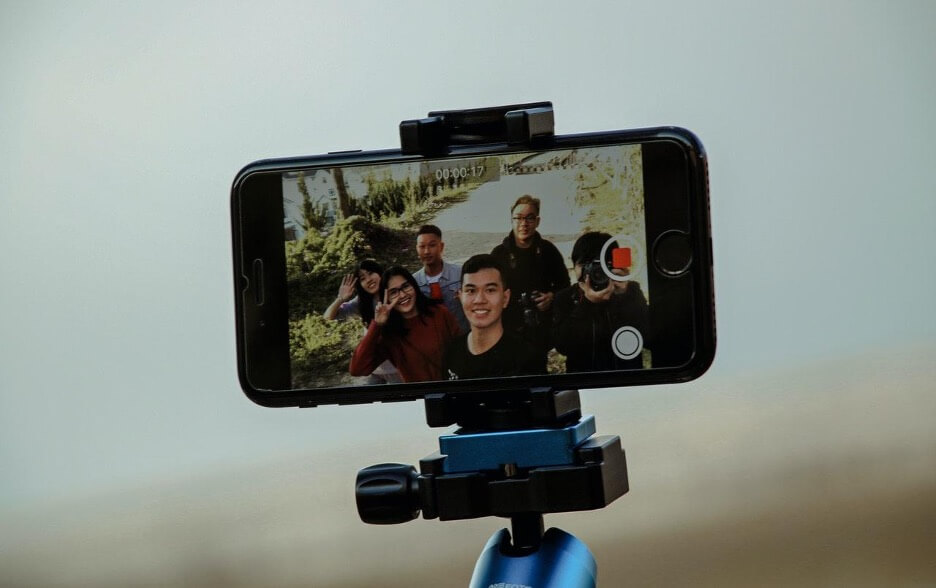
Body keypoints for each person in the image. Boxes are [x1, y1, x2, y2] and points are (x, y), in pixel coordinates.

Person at [490, 195, 571, 370]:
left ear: (538, 221)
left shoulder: (548, 251)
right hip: (507, 326)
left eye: (529, 218)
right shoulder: (499, 254)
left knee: (536, 371)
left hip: (538, 328)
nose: (523, 223)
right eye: (518, 218)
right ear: (511, 220)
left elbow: (565, 286)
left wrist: (551, 297)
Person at [552, 232, 649, 372]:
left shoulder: (630, 290)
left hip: (625, 380)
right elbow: (563, 346)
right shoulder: (565, 297)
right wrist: (587, 303)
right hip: (584, 383)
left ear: (613, 265)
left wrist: (624, 296)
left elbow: (647, 336)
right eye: (584, 264)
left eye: (600, 264)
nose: (592, 271)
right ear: (574, 267)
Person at [349, 266, 461, 383]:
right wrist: (376, 325)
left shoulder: (439, 312)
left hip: (453, 388)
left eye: (406, 286)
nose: (402, 295)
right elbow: (357, 369)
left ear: (414, 286)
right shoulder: (389, 334)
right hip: (421, 398)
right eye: (394, 292)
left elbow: (460, 349)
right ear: (386, 299)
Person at [442, 254, 543, 380]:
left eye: (490, 290)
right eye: (471, 291)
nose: (479, 300)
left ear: (505, 298)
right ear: (460, 296)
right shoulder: (452, 352)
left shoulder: (527, 359)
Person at [323, 259, 400, 384]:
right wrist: (340, 299)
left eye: (370, 273)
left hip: (397, 369)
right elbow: (328, 316)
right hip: (374, 369)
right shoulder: (361, 302)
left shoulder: (396, 293)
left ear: (380, 273)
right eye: (363, 278)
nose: (368, 279)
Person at [412, 225, 469, 332]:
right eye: (422, 246)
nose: (427, 251)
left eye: (432, 245)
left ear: (441, 246)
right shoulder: (414, 283)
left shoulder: (460, 274)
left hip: (462, 335)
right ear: (417, 249)